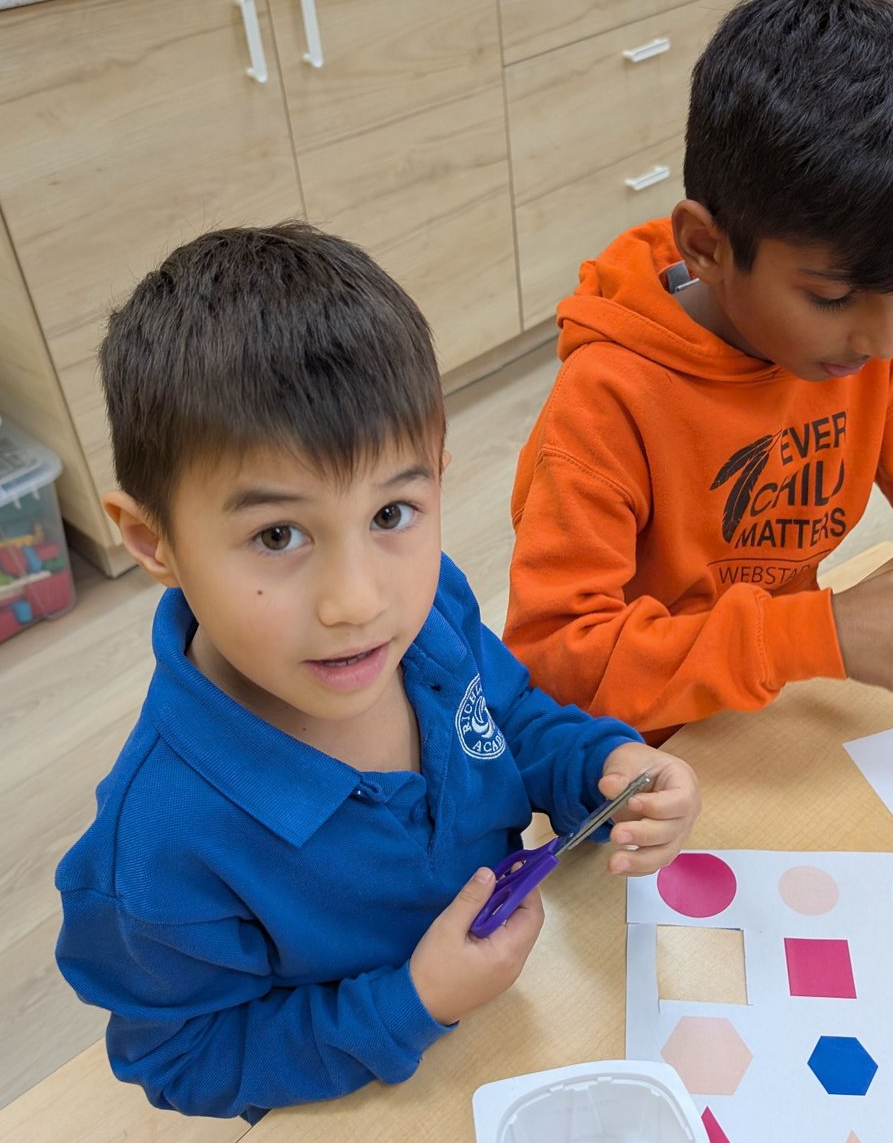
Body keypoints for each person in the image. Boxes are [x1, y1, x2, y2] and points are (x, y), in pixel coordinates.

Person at [54, 224, 700, 1121]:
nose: (357, 601)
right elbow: (183, 1056)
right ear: (153, 541)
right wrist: (413, 1003)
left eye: (393, 511)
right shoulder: (157, 851)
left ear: (440, 473)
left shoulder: (429, 616)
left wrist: (603, 768)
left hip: (525, 1030)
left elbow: (508, 715)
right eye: (278, 535)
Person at [503, 0, 893, 744]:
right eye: (833, 297)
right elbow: (560, 662)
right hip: (634, 765)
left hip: (769, 714)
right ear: (706, 246)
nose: (885, 343)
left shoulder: (861, 342)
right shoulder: (607, 402)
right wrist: (820, 635)